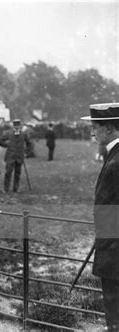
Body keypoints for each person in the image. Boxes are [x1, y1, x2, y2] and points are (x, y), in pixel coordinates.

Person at [81, 102, 119, 330]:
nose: (92, 132)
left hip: (114, 248)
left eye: (95, 126)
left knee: (115, 310)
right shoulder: (113, 155)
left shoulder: (116, 162)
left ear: (109, 129)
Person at [0, 119, 32, 193]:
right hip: (10, 156)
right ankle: (6, 188)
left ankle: (16, 188)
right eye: (15, 125)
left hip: (19, 156)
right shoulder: (9, 133)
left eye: (18, 125)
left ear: (20, 126)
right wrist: (6, 145)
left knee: (17, 173)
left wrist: (26, 152)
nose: (17, 127)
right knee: (8, 172)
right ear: (13, 126)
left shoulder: (23, 134)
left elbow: (29, 143)